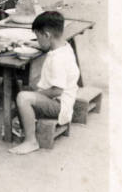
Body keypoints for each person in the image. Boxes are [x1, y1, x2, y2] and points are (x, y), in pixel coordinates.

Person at [8, 10, 80, 155]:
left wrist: (36, 94)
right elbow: (45, 45)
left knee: (23, 97)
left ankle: (30, 141)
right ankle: (26, 122)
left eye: (37, 36)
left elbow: (57, 91)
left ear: (47, 35)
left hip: (59, 106)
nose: (37, 40)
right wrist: (30, 43)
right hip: (65, 101)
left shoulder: (57, 60)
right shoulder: (64, 46)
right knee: (26, 92)